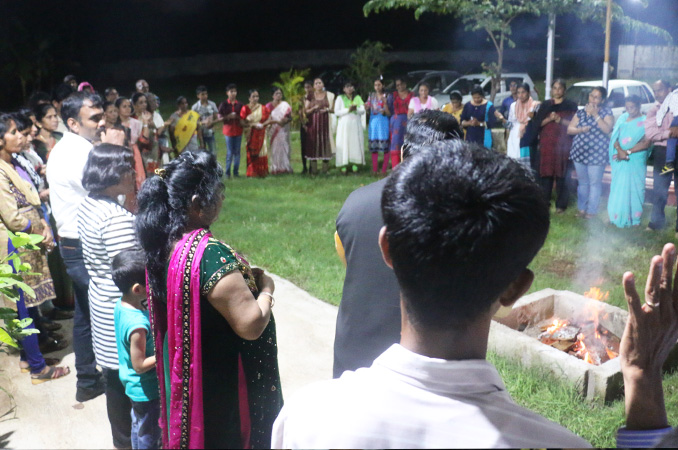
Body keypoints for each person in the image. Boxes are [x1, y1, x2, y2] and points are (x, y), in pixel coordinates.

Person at [274, 140, 589, 448]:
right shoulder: (557, 442)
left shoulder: (306, 420)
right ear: (516, 288)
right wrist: (640, 423)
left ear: (388, 249)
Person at [135, 151, 283, 448]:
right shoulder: (209, 254)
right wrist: (266, 288)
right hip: (221, 379)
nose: (222, 200)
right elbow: (251, 324)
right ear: (195, 204)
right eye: (218, 193)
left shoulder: (165, 241)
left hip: (192, 367)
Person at [333, 110, 462, 378]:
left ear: (403, 152)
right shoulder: (462, 214)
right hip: (423, 370)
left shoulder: (356, 203)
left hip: (355, 361)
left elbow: (347, 258)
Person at [46, 91, 108, 402]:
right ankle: (115, 377)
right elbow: (106, 190)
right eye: (95, 118)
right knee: (111, 308)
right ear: (73, 123)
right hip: (84, 245)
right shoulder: (78, 153)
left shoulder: (67, 148)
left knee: (85, 312)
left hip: (74, 243)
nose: (102, 122)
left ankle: (87, 379)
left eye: (102, 115)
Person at [77, 143, 139, 448]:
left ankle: (121, 441)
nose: (134, 174)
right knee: (128, 384)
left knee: (114, 379)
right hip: (119, 305)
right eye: (128, 169)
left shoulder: (89, 204)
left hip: (100, 299)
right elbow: (130, 274)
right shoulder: (116, 219)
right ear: (113, 173)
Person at [0, 113, 68, 383]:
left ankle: (30, 360)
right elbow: (12, 217)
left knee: (23, 305)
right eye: (14, 132)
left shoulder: (12, 162)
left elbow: (29, 201)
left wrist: (43, 224)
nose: (21, 136)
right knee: (21, 307)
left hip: (22, 241)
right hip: (10, 246)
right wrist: (40, 230)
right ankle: (39, 370)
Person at [113, 249, 161, 450]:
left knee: (139, 427)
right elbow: (140, 365)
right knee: (149, 435)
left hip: (133, 386)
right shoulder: (137, 326)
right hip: (146, 391)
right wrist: (164, 353)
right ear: (137, 289)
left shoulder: (121, 304)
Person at [567, 86, 614, 219]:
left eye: (596, 97)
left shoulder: (606, 112)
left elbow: (607, 129)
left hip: (597, 154)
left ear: (602, 100)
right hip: (579, 152)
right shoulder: (580, 112)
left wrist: (595, 115)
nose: (592, 99)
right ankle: (581, 209)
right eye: (591, 96)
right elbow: (570, 129)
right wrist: (581, 130)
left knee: (594, 183)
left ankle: (591, 211)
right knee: (583, 183)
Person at [535, 78, 578, 213]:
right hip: (547, 144)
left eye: (560, 88)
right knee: (546, 174)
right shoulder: (546, 105)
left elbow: (574, 125)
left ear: (564, 90)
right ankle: (544, 202)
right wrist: (549, 119)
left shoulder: (571, 105)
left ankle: (561, 205)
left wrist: (560, 120)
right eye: (555, 88)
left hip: (563, 145)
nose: (557, 91)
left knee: (562, 174)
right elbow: (537, 124)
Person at [607, 96, 650, 228]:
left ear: (639, 106)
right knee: (618, 186)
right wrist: (620, 150)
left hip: (636, 158)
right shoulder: (622, 118)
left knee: (636, 187)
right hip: (620, 157)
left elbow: (646, 143)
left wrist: (628, 152)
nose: (630, 110)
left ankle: (634, 218)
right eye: (627, 107)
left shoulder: (646, 121)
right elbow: (614, 136)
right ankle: (616, 216)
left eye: (632, 107)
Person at [644, 80, 678, 233]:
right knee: (660, 187)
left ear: (670, 89)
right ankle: (656, 222)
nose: (657, 94)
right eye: (655, 91)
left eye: (661, 90)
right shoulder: (654, 110)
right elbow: (650, 134)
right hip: (663, 155)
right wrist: (669, 133)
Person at [305, 77, 335, 175]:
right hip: (313, 125)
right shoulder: (310, 96)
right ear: (314, 86)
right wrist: (314, 108)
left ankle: (325, 171)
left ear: (323, 84)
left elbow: (333, 110)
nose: (318, 84)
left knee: (325, 144)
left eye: (320, 82)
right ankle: (314, 171)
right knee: (313, 145)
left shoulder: (329, 95)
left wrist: (326, 110)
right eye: (316, 83)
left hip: (325, 125)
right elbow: (306, 111)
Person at [117, 96, 147, 191]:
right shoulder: (115, 124)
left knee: (138, 176)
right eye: (124, 106)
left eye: (129, 106)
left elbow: (142, 139)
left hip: (134, 151)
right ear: (118, 109)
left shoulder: (136, 123)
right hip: (120, 151)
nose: (127, 109)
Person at [334, 81, 365, 172]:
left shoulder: (357, 98)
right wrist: (348, 110)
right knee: (344, 143)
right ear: (344, 89)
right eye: (347, 87)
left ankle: (355, 164)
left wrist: (356, 109)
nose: (349, 88)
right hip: (344, 126)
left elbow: (362, 111)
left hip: (355, 124)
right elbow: (337, 112)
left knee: (355, 143)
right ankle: (343, 164)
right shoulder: (340, 98)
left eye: (351, 86)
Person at [241, 89, 272, 178]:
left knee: (262, 152)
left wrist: (263, 125)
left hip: (261, 133)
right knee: (251, 152)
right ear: (249, 98)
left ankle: (262, 172)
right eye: (253, 96)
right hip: (251, 134)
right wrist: (253, 124)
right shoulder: (245, 108)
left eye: (257, 96)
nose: (255, 98)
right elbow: (243, 122)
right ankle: (252, 172)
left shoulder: (263, 108)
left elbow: (269, 118)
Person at [217, 84, 245, 178]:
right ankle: (228, 172)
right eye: (231, 91)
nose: (233, 93)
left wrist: (237, 117)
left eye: (234, 91)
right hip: (228, 131)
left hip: (238, 130)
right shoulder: (224, 104)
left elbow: (243, 116)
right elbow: (219, 116)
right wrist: (228, 117)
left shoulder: (240, 104)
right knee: (230, 152)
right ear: (227, 93)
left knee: (237, 152)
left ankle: (236, 172)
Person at [506, 83, 539, 164]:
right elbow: (510, 123)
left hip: (529, 136)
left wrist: (533, 117)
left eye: (523, 92)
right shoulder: (513, 106)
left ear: (528, 93)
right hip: (514, 137)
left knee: (528, 163)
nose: (521, 95)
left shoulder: (534, 105)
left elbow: (538, 122)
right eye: (518, 92)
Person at [266, 87, 293, 174]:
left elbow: (290, 117)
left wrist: (286, 120)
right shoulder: (268, 106)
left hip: (283, 131)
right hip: (273, 131)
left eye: (280, 93)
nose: (278, 95)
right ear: (272, 95)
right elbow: (266, 119)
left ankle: (285, 167)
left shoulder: (285, 105)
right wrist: (275, 122)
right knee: (274, 149)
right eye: (276, 93)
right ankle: (276, 168)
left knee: (284, 147)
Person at [387, 76, 413, 169]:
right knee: (395, 144)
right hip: (396, 124)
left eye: (401, 84)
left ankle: (407, 167)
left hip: (409, 121)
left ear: (405, 84)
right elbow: (389, 109)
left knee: (408, 143)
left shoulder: (412, 95)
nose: (399, 86)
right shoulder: (392, 96)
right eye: (397, 85)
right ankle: (395, 168)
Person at [367, 78, 391, 175]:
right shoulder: (371, 96)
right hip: (373, 123)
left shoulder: (387, 96)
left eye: (379, 85)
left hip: (383, 122)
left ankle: (384, 169)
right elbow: (368, 106)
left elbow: (389, 112)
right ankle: (375, 169)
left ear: (383, 85)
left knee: (385, 147)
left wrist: (384, 106)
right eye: (375, 85)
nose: (377, 87)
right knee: (374, 147)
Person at [656, 88, 678, 174]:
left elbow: (662, 109)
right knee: (672, 138)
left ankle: (669, 163)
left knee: (671, 139)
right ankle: (669, 163)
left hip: (676, 118)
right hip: (676, 118)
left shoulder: (671, 95)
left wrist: (658, 122)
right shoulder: (672, 95)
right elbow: (663, 109)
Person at [191, 85, 218, 154]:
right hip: (200, 134)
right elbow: (193, 122)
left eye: (206, 94)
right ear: (198, 96)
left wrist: (212, 122)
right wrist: (203, 122)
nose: (205, 96)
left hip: (210, 133)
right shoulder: (195, 107)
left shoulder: (212, 104)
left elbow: (216, 117)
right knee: (202, 154)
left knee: (213, 153)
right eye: (202, 94)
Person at [299, 80, 313, 174]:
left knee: (312, 145)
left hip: (312, 123)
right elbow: (300, 112)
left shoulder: (314, 98)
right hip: (304, 124)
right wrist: (303, 124)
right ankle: (304, 167)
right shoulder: (302, 99)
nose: (307, 89)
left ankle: (312, 167)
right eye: (305, 87)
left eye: (309, 87)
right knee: (303, 146)